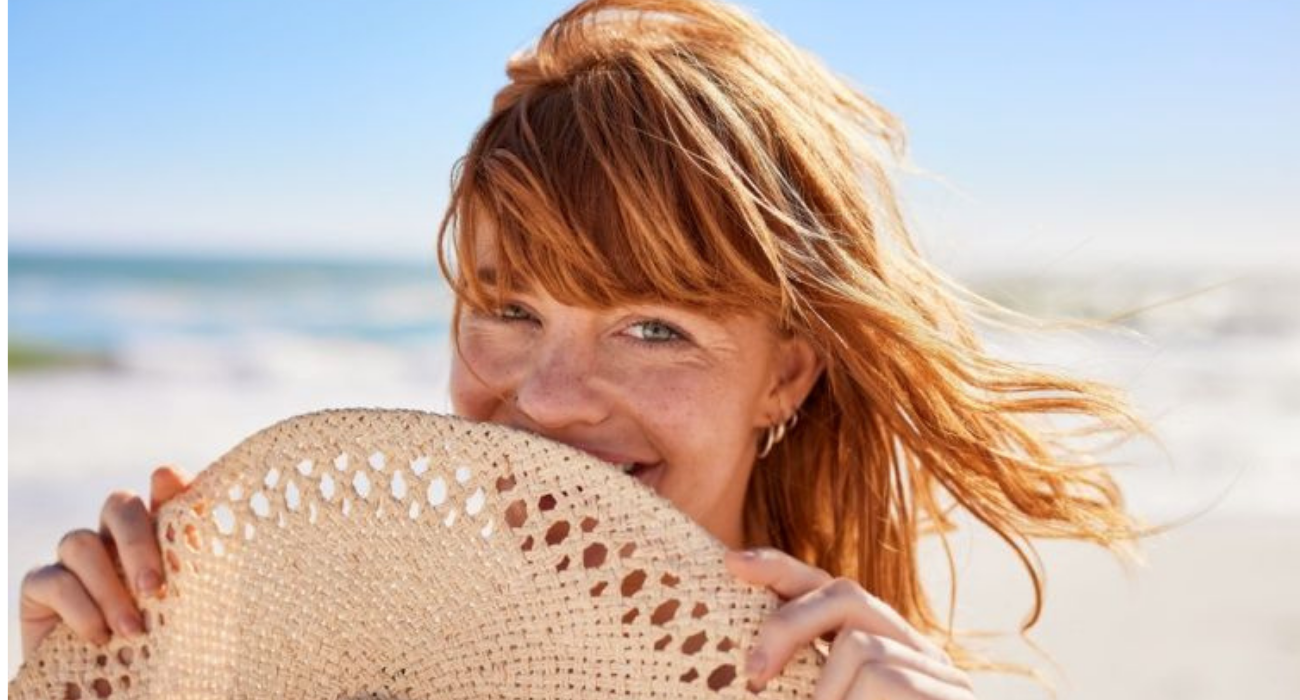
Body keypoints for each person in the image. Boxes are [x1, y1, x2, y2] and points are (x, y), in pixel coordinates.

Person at [19, 0, 1153, 696]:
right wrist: (97, 668)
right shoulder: (326, 666)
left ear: (786, 375)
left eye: (654, 327)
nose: (552, 398)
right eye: (509, 310)